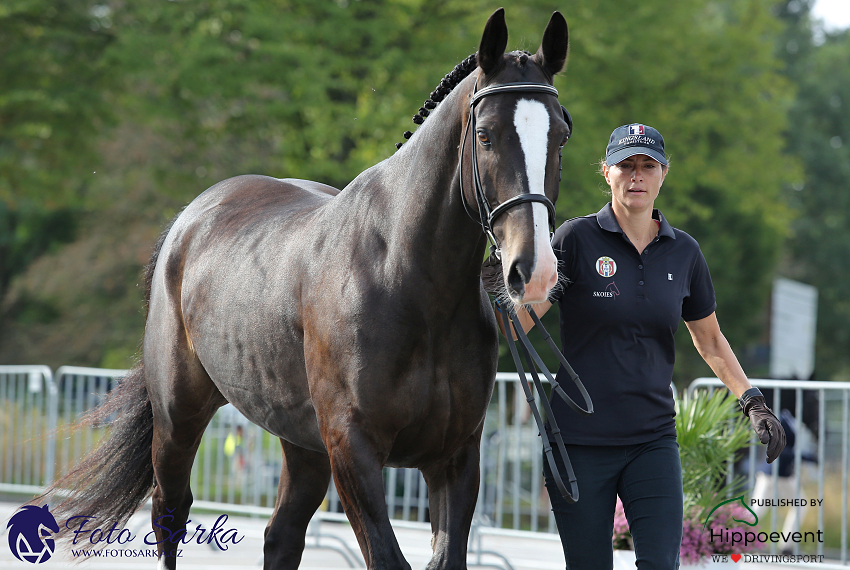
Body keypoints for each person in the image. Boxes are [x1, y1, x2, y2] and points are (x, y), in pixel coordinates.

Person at [482, 123, 786, 569]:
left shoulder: (684, 253)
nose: (636, 176)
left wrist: (753, 401)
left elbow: (711, 340)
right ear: (606, 172)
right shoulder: (574, 239)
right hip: (578, 443)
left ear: (664, 174)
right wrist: (501, 293)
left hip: (653, 441)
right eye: (626, 166)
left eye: (647, 166)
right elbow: (517, 328)